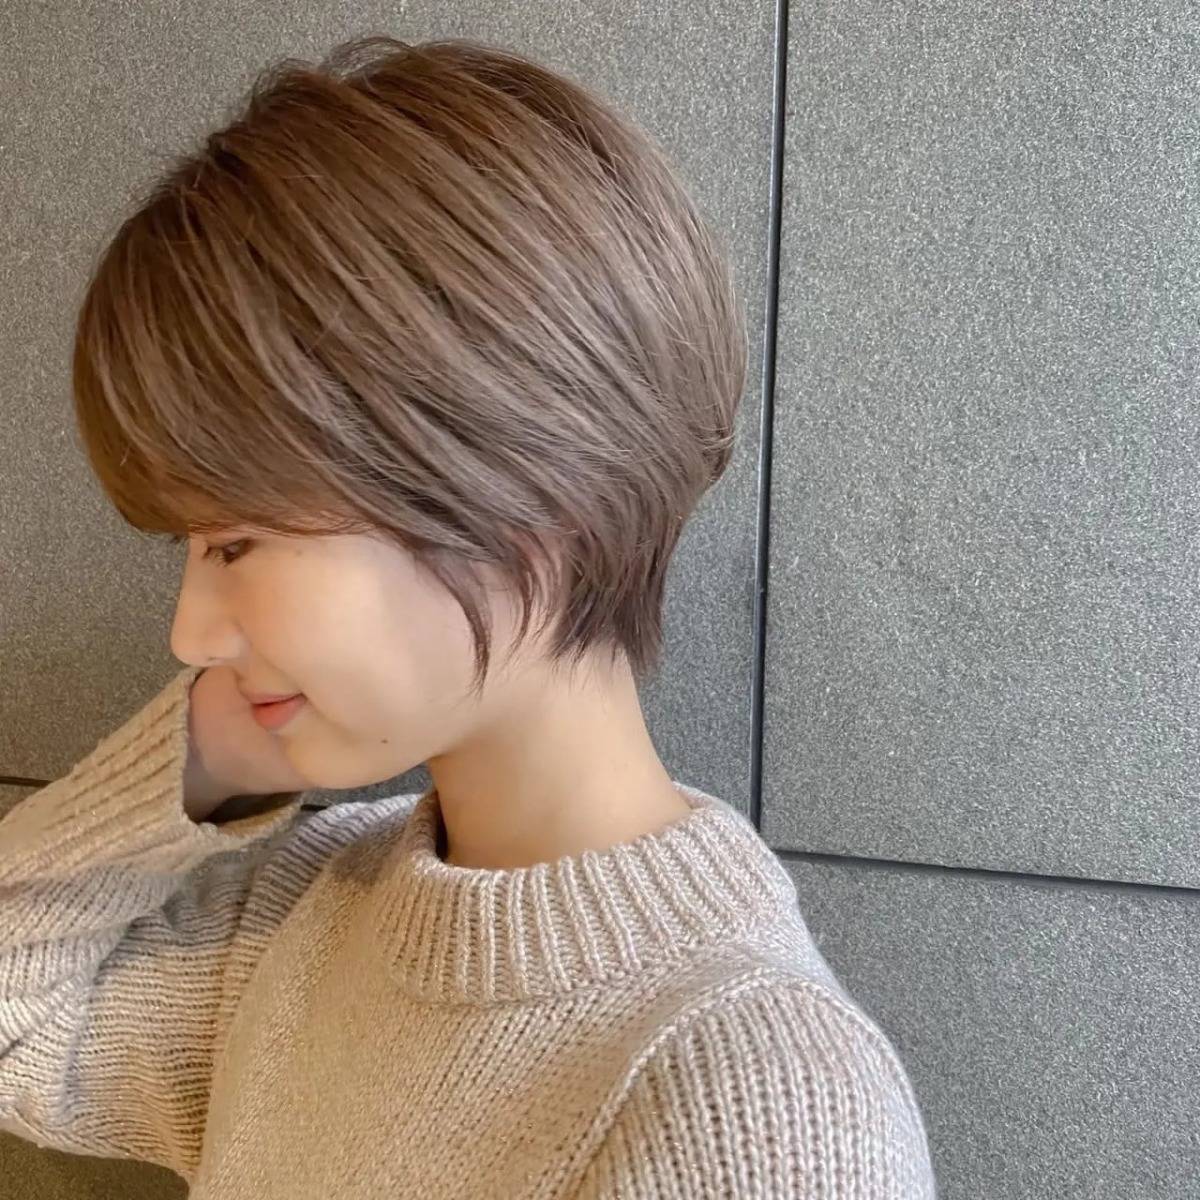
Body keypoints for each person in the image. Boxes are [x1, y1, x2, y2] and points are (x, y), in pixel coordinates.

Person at [0, 34, 937, 1199]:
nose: (191, 635)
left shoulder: (756, 1104)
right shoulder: (302, 913)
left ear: (527, 495)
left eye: (236, 543)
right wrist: (206, 759)